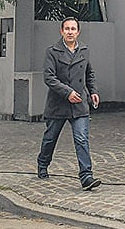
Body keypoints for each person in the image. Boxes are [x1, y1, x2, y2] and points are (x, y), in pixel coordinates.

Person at [37, 17, 101, 190]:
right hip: (58, 104)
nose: (70, 32)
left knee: (81, 139)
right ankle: (42, 163)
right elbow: (49, 78)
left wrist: (93, 91)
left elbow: (89, 73)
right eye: (67, 29)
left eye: (73, 29)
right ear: (61, 31)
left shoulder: (84, 50)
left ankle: (86, 176)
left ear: (78, 32)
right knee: (50, 138)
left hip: (79, 104)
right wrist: (68, 92)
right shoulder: (52, 52)